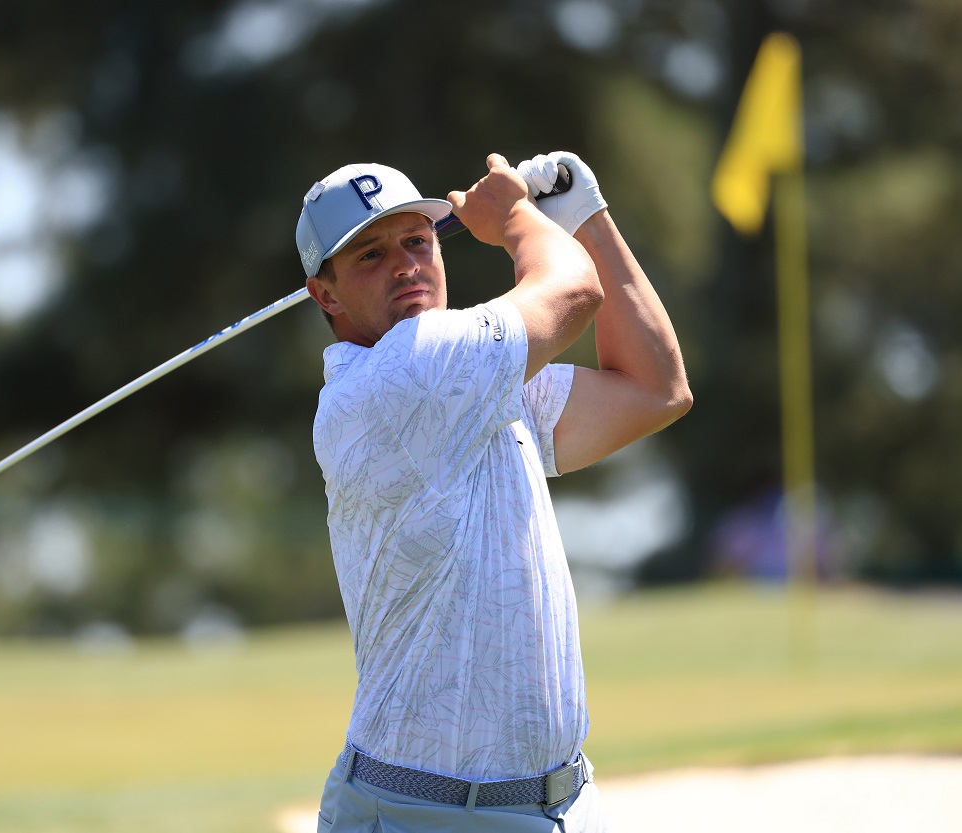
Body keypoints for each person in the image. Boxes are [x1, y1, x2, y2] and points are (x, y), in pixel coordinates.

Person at [296, 151, 692, 831]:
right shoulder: (406, 374)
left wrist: (588, 221)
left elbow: (654, 388)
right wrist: (515, 217)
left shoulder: (467, 382)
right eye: (370, 254)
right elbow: (572, 295)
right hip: (432, 811)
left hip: (551, 799)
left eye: (417, 240)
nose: (406, 264)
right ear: (325, 294)